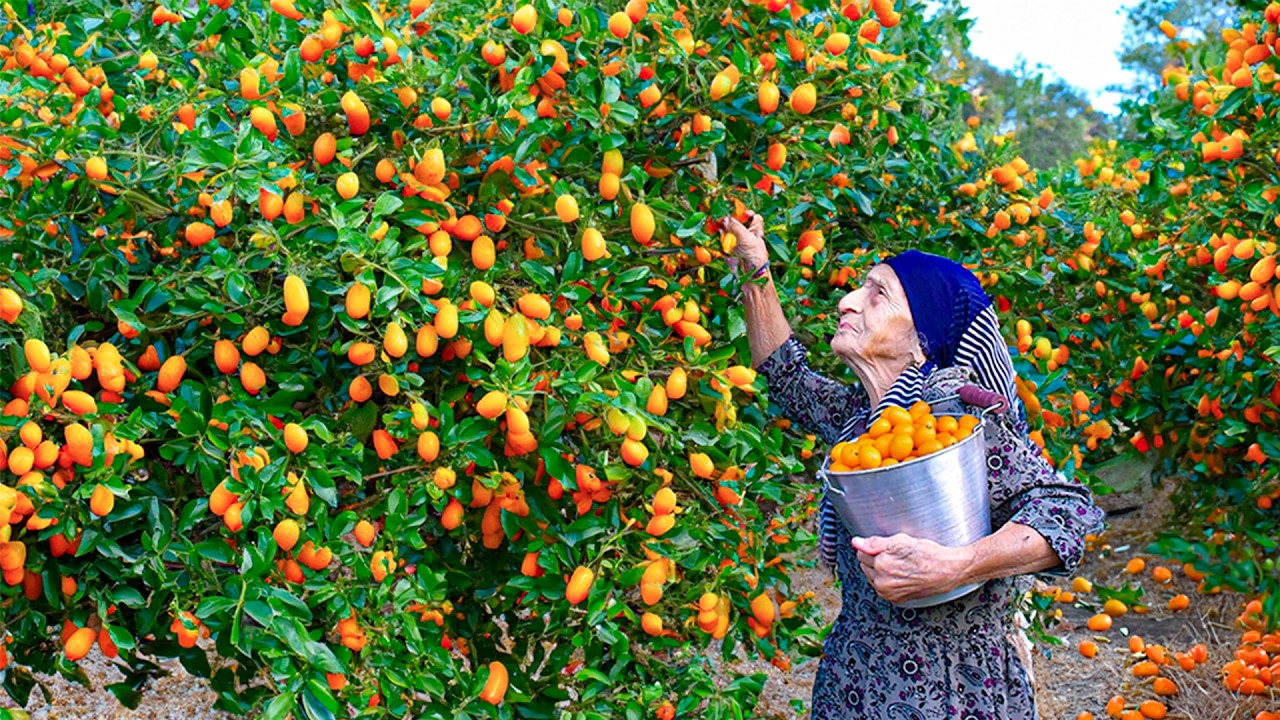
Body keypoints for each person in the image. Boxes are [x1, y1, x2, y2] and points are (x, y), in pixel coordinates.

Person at [722, 210, 1105, 720]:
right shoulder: (865, 422)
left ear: (921, 340)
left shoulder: (957, 418)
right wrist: (754, 269)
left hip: (949, 691)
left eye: (877, 295)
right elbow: (786, 376)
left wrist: (958, 565)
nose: (848, 301)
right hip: (855, 681)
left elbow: (1069, 513)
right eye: (859, 288)